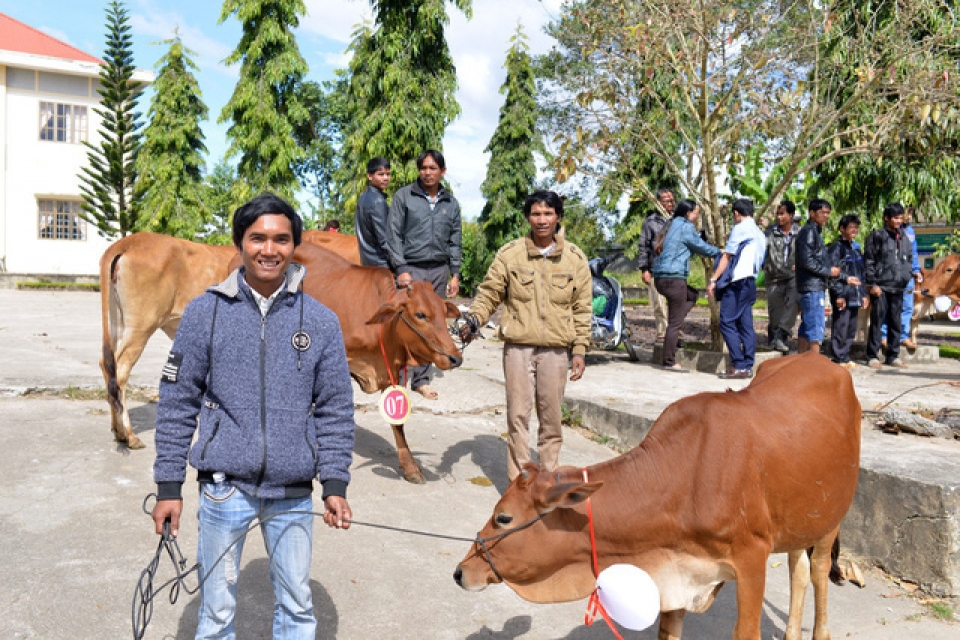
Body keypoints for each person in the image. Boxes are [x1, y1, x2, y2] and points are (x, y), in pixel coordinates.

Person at [151, 193, 356, 639]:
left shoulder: (320, 321)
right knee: (217, 612)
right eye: (257, 238)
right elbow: (177, 402)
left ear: (294, 245)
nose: (269, 249)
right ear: (239, 243)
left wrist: (335, 483)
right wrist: (169, 486)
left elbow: (337, 409)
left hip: (293, 493)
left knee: (298, 607)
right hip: (224, 491)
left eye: (281, 239)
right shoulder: (205, 313)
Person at [461, 190, 591, 481]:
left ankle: (546, 483)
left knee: (551, 419)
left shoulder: (574, 259)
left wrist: (580, 349)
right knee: (517, 416)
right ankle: (519, 484)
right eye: (535, 214)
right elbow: (490, 292)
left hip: (556, 351)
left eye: (547, 214)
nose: (541, 220)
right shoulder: (510, 254)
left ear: (558, 217)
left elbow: (582, 308)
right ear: (527, 217)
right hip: (518, 349)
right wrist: (474, 318)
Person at [385, 149, 462, 399]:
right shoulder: (404, 197)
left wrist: (455, 273)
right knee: (405, 322)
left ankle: (421, 380)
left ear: (442, 171)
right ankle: (395, 377)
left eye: (432, 168)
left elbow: (455, 240)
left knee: (434, 324)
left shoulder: (451, 203)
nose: (427, 173)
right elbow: (393, 235)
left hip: (439, 270)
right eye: (423, 168)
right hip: (412, 268)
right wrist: (401, 269)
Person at [652, 199, 721, 372]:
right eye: (697, 213)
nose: (697, 217)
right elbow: (699, 247)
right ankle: (669, 362)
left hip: (660, 278)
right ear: (688, 213)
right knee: (674, 324)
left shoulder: (672, 224)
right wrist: (720, 252)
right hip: (674, 278)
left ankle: (677, 317)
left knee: (692, 295)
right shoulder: (686, 226)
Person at [707, 198, 767, 379]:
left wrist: (713, 279)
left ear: (736, 213)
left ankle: (739, 365)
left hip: (737, 282)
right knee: (745, 324)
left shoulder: (740, 228)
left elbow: (727, 256)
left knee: (726, 322)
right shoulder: (760, 234)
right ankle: (748, 364)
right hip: (750, 283)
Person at [864, 202, 915, 369]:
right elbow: (869, 261)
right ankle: (872, 355)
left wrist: (906, 278)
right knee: (877, 321)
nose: (898, 221)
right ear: (887, 218)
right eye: (895, 218)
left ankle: (893, 356)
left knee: (896, 321)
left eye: (901, 217)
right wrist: (872, 284)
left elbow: (909, 260)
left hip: (898, 287)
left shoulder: (905, 239)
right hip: (881, 287)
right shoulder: (877, 236)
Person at [795, 198, 841, 355]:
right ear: (812, 213)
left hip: (812, 285)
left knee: (807, 323)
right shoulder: (808, 232)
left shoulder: (813, 232)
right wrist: (828, 271)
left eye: (828, 213)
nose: (826, 216)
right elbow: (806, 261)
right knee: (815, 324)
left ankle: (802, 358)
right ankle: (814, 361)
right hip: (812, 286)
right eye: (822, 212)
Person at [827, 215, 867, 369]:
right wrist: (838, 295)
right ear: (842, 229)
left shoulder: (856, 249)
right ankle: (838, 358)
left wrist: (863, 294)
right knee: (840, 326)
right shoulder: (836, 249)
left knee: (851, 328)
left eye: (856, 228)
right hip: (843, 294)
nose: (854, 230)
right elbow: (833, 274)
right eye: (851, 227)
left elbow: (861, 274)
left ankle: (845, 355)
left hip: (855, 294)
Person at [881, 205, 923, 349]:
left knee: (907, 307)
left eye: (910, 213)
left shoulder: (910, 231)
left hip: (907, 276)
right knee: (889, 307)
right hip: (891, 276)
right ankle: (884, 335)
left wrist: (916, 270)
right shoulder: (887, 233)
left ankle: (903, 336)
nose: (908, 216)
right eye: (907, 213)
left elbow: (914, 253)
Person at [638, 188, 674, 345]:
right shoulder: (650, 222)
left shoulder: (678, 221)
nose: (670, 204)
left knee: (675, 303)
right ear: (659, 203)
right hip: (655, 269)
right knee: (659, 304)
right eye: (666, 200)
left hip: (674, 270)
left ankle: (674, 334)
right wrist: (644, 269)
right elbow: (643, 246)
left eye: (672, 200)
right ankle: (662, 334)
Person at [763, 200, 800, 353]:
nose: (779, 217)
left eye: (782, 214)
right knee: (775, 315)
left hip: (793, 276)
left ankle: (781, 336)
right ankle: (776, 341)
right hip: (773, 278)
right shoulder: (770, 232)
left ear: (791, 215)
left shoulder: (800, 232)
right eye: (778, 214)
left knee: (793, 304)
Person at [355, 157, 392, 267]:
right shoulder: (378, 201)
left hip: (367, 261)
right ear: (369, 176)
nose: (385, 178)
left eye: (388, 174)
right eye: (381, 174)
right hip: (382, 264)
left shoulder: (363, 197)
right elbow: (385, 240)